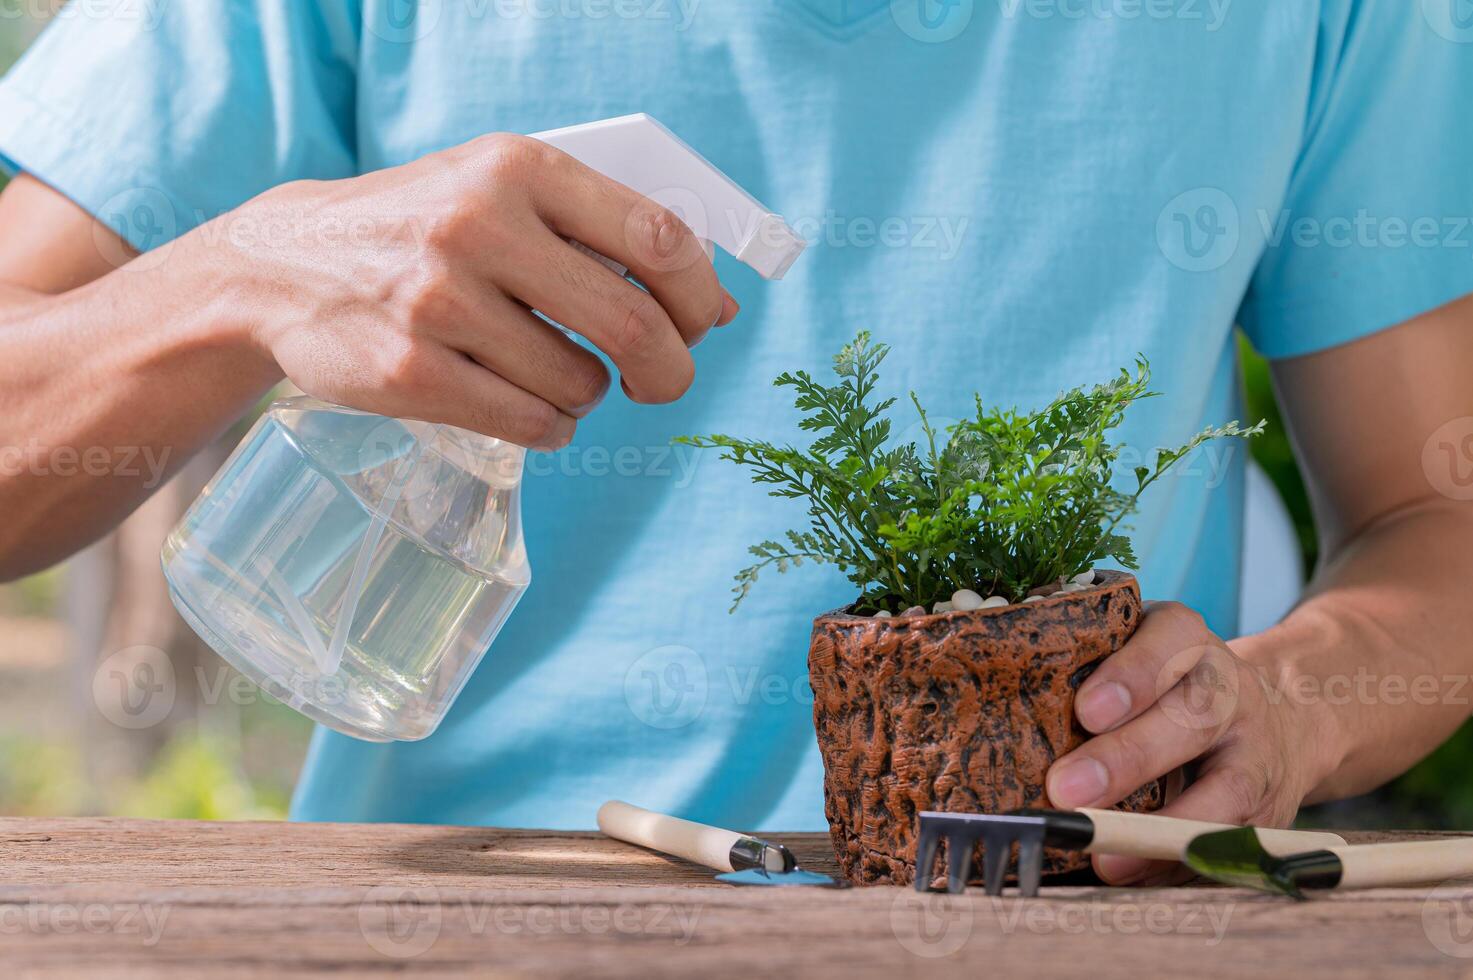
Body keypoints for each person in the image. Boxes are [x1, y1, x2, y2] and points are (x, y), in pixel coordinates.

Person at [1, 1, 1470, 884]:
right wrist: (239, 276)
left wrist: (1290, 705)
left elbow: (1433, 519)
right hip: (459, 925)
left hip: (1054, 924)